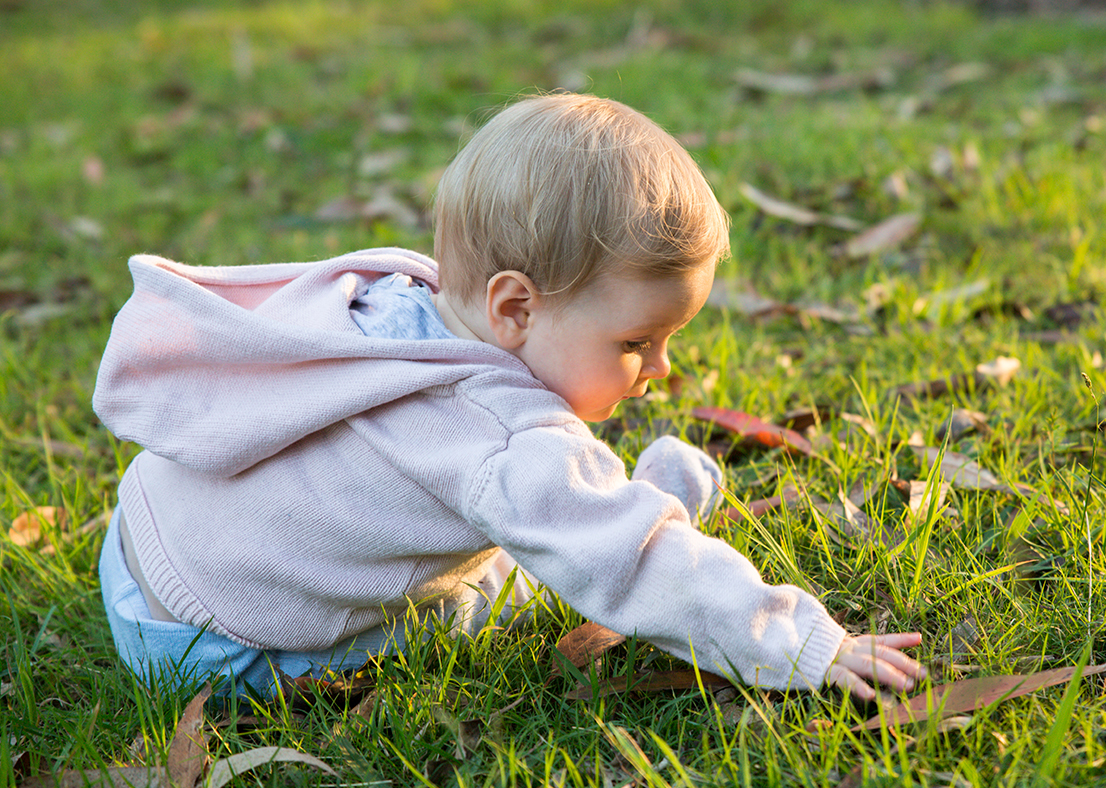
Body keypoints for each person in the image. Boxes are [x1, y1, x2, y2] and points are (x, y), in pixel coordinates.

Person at [93, 92, 924, 700]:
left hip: (141, 548)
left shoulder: (385, 292)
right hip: (218, 649)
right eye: (635, 343)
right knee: (504, 576)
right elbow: (631, 568)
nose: (661, 368)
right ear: (515, 307)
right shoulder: (503, 438)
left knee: (513, 519)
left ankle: (611, 501)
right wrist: (807, 643)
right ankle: (625, 505)